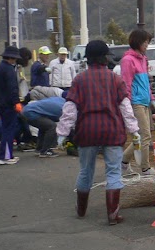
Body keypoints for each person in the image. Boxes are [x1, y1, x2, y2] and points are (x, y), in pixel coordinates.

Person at [56, 39, 140, 224]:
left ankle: (81, 210)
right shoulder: (115, 79)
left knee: (86, 171)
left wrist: (62, 132)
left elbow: (70, 108)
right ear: (104, 58)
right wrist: (134, 130)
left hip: (87, 131)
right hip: (111, 131)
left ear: (88, 59)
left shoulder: (79, 80)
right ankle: (112, 214)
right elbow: (125, 107)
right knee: (113, 171)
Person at [120, 30, 155, 177]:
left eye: (148, 42)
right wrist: (127, 103)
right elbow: (126, 84)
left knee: (141, 136)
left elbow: (146, 82)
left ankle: (123, 162)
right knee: (145, 135)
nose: (147, 45)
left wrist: (152, 98)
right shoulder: (128, 60)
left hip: (145, 102)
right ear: (137, 42)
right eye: (145, 42)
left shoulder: (143, 59)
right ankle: (145, 168)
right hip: (135, 102)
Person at [0, 46, 21, 165]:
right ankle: (5, 156)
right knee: (9, 130)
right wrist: (16, 102)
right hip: (8, 104)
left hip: (0, 103)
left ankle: (4, 155)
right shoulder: (9, 69)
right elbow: (12, 88)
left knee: (6, 129)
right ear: (11, 57)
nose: (15, 60)